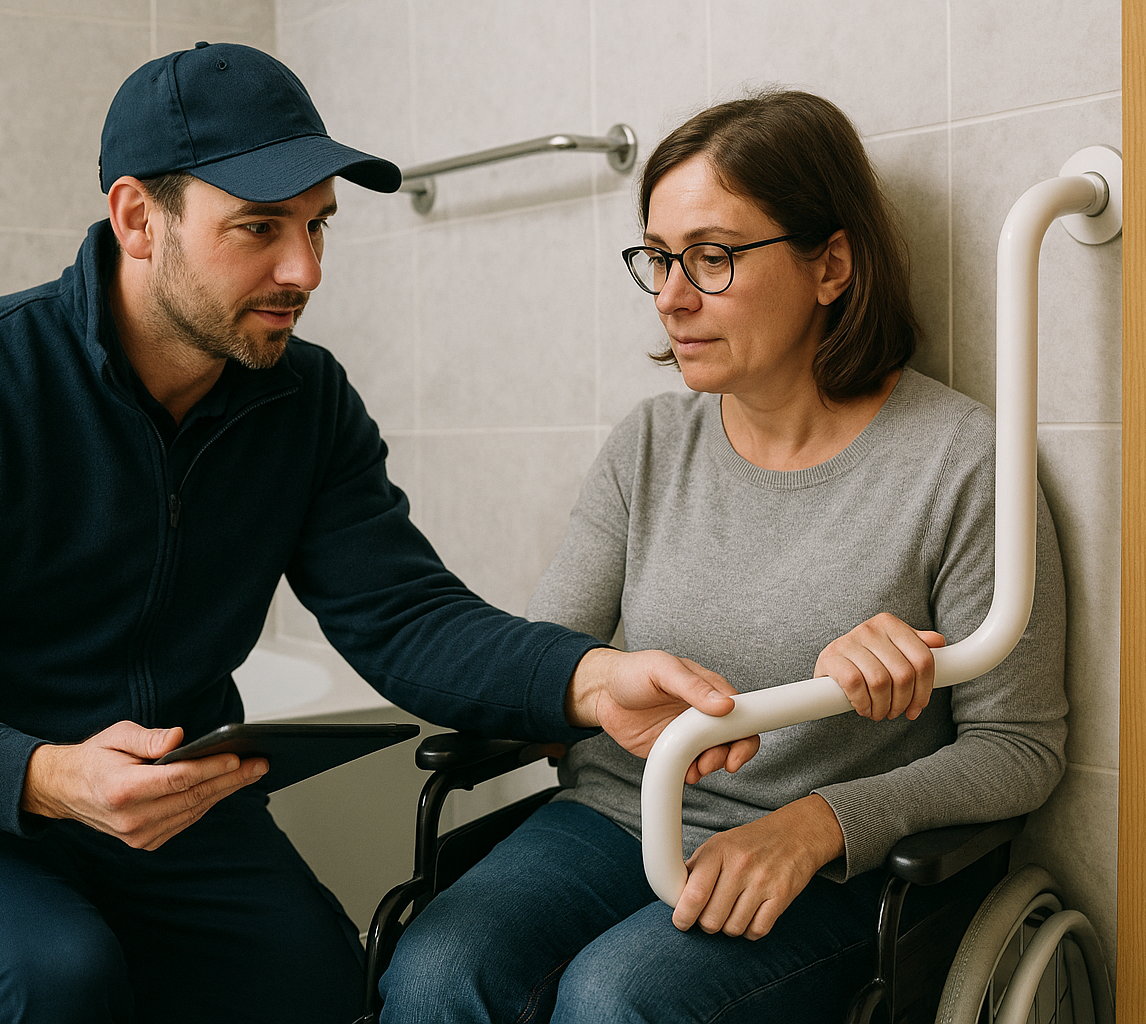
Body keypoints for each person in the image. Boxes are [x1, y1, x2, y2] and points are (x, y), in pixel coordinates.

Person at [0, 44, 757, 1024]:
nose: (305, 270)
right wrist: (47, 775)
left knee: (322, 991)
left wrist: (591, 680)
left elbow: (404, 614)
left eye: (316, 226)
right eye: (257, 227)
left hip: (172, 797)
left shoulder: (304, 401)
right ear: (135, 218)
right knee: (51, 981)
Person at [377, 90, 1069, 1024]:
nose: (670, 295)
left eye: (712, 257)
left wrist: (820, 824)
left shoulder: (960, 461)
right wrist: (558, 698)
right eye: (659, 259)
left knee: (618, 997)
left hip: (815, 861)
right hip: (614, 818)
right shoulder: (650, 444)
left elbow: (1018, 748)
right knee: (434, 972)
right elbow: (551, 667)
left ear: (831, 265)